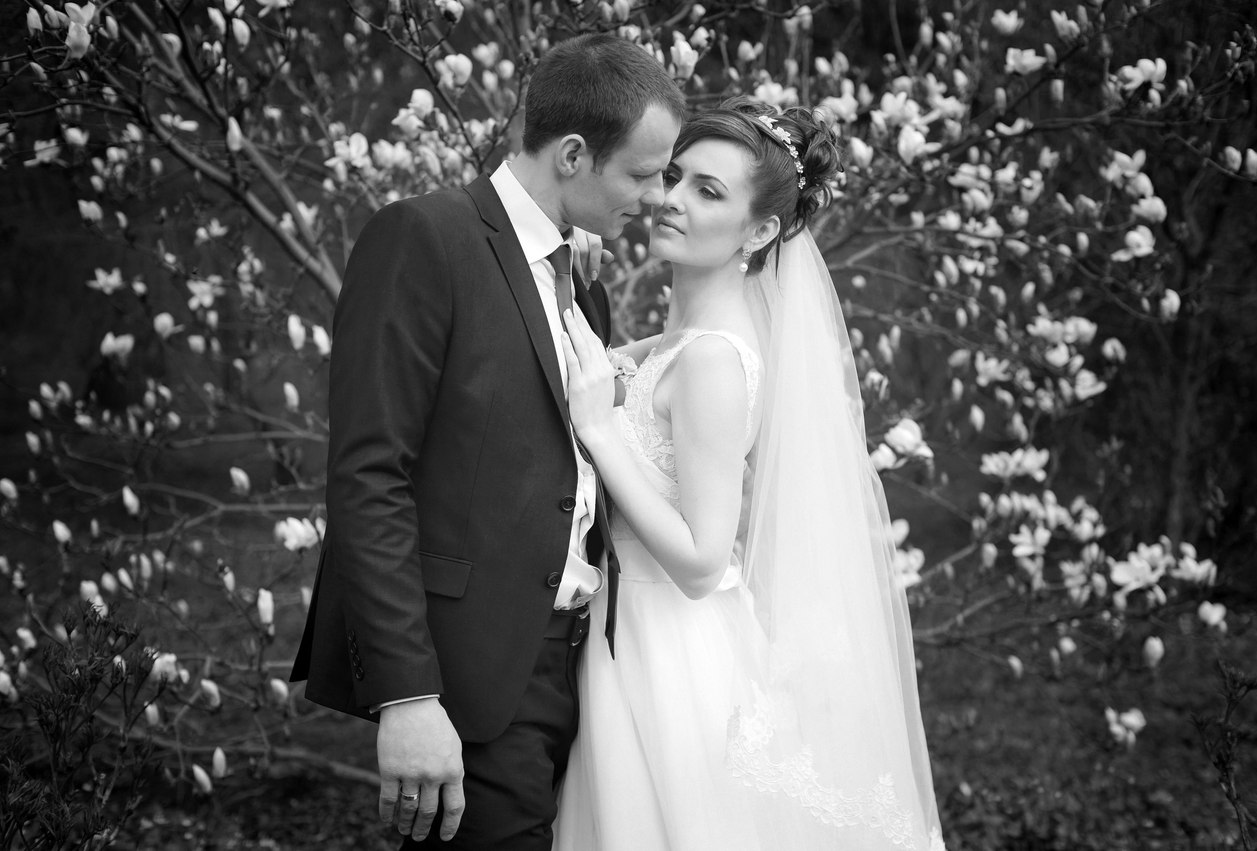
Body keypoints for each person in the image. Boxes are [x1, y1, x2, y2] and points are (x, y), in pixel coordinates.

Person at [289, 34, 683, 850]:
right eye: (643, 174)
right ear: (573, 155)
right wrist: (407, 696)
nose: (655, 197)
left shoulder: (580, 283)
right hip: (468, 679)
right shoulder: (424, 239)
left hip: (581, 673)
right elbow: (369, 476)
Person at [552, 98, 946, 850]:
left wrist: (601, 431)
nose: (673, 199)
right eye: (674, 176)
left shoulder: (714, 362)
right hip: (632, 636)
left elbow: (703, 561)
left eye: (708, 191)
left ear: (760, 231)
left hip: (671, 655)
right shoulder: (681, 345)